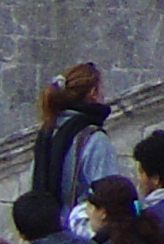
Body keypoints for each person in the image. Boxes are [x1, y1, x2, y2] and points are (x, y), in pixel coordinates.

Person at [29, 61, 121, 219]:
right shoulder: (94, 138)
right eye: (102, 89)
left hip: (48, 231)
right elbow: (109, 197)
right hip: (82, 235)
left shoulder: (48, 133)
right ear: (93, 92)